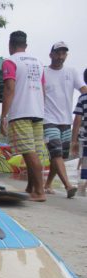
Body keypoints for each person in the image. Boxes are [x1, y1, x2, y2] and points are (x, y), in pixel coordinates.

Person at [0, 31, 46, 202]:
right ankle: (31, 187)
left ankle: (40, 191)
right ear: (26, 46)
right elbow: (42, 89)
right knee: (35, 152)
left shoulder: (10, 61)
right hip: (38, 112)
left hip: (21, 112)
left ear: (10, 45)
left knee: (28, 152)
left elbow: (9, 89)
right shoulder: (39, 63)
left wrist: (4, 116)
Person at [42, 41, 87, 198]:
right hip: (48, 119)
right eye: (58, 53)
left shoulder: (72, 72)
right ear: (51, 55)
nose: (61, 56)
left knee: (61, 155)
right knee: (56, 154)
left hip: (66, 121)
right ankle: (68, 186)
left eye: (63, 53)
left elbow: (83, 89)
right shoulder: (44, 73)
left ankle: (47, 184)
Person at [70, 69, 87, 191]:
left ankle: (84, 186)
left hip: (85, 139)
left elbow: (77, 120)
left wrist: (74, 141)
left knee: (85, 166)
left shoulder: (83, 98)